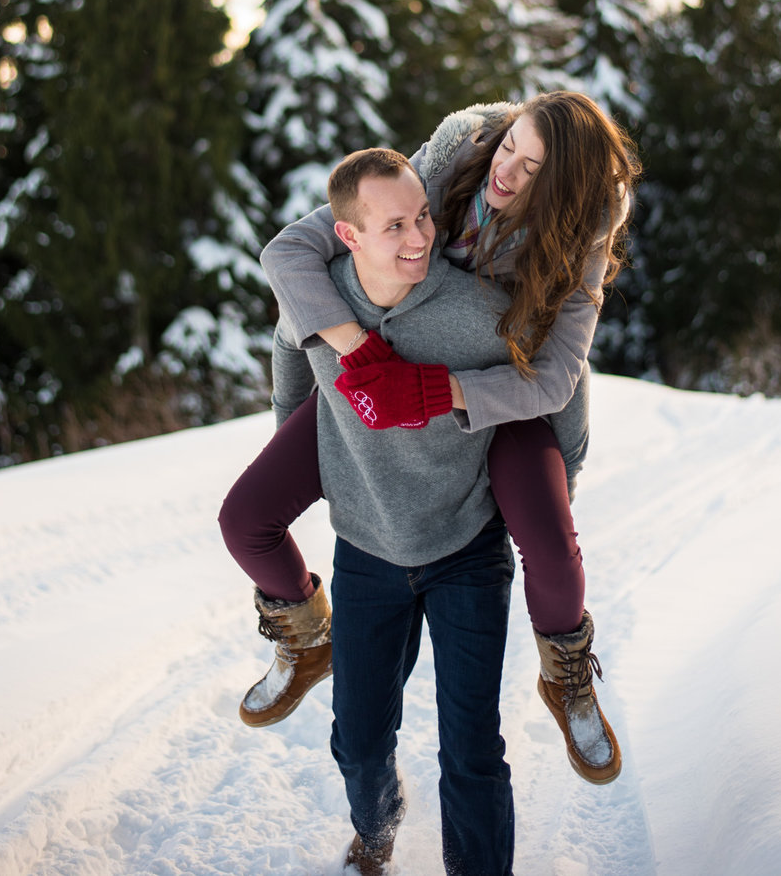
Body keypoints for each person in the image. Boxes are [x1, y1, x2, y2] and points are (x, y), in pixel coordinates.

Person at [219, 93, 639, 794]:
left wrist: (446, 392)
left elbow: (558, 375)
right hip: (387, 366)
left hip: (510, 390)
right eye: (511, 145)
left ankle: (566, 676)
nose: (507, 171)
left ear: (564, 188)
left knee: (548, 540)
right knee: (245, 519)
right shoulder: (451, 165)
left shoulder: (580, 241)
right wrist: (355, 357)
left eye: (532, 168)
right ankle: (304, 634)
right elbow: (294, 250)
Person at [230, 147, 522, 874]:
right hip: (367, 552)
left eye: (422, 216)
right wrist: (308, 446)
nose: (419, 237)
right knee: (358, 741)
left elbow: (549, 390)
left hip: (466, 551)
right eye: (395, 226)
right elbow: (290, 365)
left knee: (472, 751)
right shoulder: (320, 300)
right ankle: (378, 827)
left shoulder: (479, 315)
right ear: (348, 235)